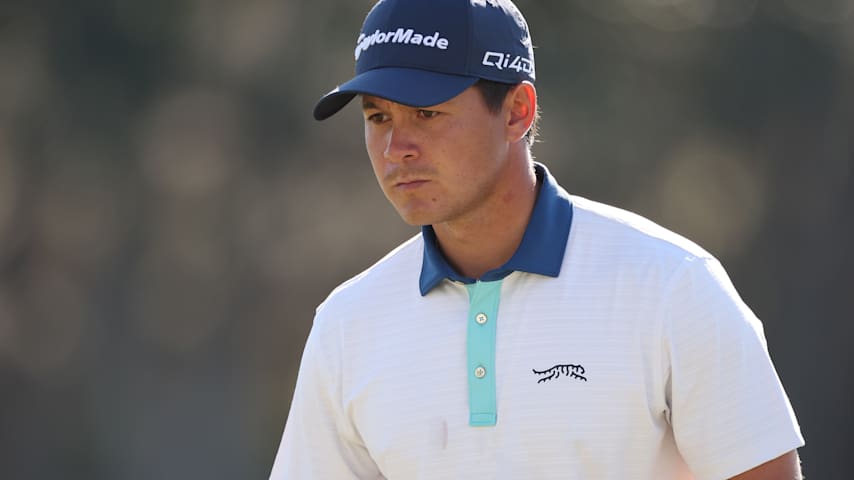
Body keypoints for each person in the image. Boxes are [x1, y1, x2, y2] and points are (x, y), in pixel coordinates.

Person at [269, 0, 805, 478]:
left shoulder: (672, 286)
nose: (395, 149)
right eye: (378, 116)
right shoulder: (347, 324)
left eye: (427, 113)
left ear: (517, 111)